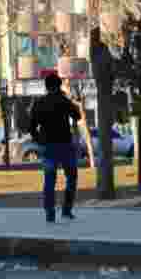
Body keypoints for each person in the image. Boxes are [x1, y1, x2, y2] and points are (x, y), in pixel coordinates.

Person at [29, 74, 82, 224]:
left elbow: (31, 127)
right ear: (59, 86)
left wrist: (40, 140)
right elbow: (77, 115)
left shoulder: (39, 103)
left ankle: (49, 212)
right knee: (71, 177)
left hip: (48, 146)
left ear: (46, 87)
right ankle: (66, 209)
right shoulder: (63, 101)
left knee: (49, 180)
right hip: (65, 145)